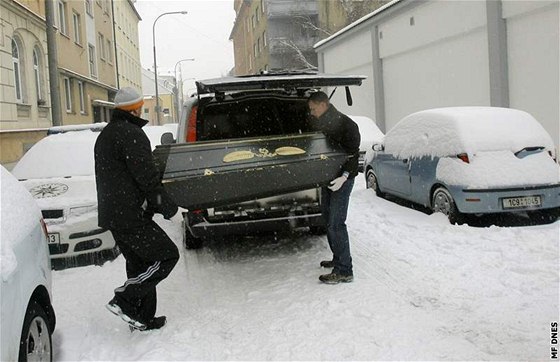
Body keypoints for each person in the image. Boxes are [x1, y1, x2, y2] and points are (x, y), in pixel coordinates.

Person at [94, 87, 187, 331]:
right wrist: (170, 209)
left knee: (140, 264)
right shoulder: (131, 134)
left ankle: (141, 318)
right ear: (135, 108)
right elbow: (147, 179)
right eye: (141, 105)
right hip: (130, 215)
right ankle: (125, 299)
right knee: (167, 255)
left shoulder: (107, 134)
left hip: (115, 214)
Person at [308, 91, 360, 284]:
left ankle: (345, 270)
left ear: (323, 104)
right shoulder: (320, 122)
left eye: (313, 109)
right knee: (328, 220)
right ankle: (338, 258)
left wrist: (344, 176)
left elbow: (352, 155)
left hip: (342, 181)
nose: (311, 113)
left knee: (336, 224)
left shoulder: (347, 125)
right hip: (328, 178)